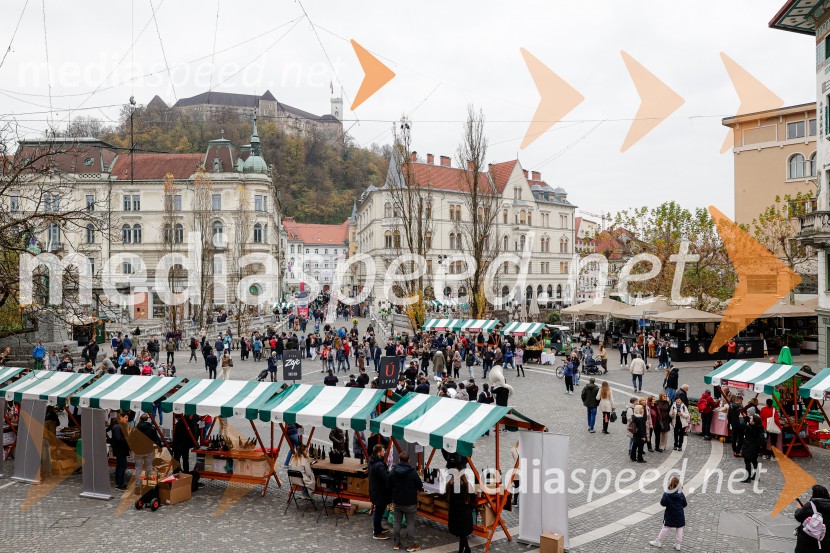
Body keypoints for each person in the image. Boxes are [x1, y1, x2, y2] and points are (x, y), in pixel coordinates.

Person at [387, 452, 423, 552]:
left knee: (396, 522)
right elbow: (420, 485)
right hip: (410, 502)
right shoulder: (412, 472)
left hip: (397, 501)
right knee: (410, 523)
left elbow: (388, 485)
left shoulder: (393, 471)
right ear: (409, 461)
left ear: (399, 460)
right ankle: (411, 545)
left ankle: (396, 543)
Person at [649, 476, 687, 549]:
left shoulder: (667, 494)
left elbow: (662, 503)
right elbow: (685, 504)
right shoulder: (681, 494)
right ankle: (678, 544)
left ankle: (658, 541)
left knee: (666, 528)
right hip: (680, 515)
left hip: (670, 514)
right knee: (679, 528)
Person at [446, 460, 475, 553]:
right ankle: (465, 549)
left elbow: (447, 498)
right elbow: (473, 499)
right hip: (465, 513)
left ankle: (464, 550)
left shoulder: (450, 485)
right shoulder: (467, 485)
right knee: (463, 533)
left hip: (455, 512)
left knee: (462, 533)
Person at [794, 484, 830, 551]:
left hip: (807, 540)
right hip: (825, 542)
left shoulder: (810, 505)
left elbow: (798, 516)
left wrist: (799, 509)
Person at [131, 413, 162, 485]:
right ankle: (148, 483)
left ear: (140, 419)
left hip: (138, 451)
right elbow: (156, 439)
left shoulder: (135, 429)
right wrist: (159, 447)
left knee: (138, 468)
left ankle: (138, 484)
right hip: (149, 450)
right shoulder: (151, 428)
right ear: (147, 419)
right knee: (148, 467)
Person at [369, 444, 391, 539]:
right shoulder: (378, 465)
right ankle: (377, 532)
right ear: (378, 453)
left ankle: (378, 528)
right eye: (383, 450)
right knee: (379, 511)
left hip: (375, 490)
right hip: (379, 492)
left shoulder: (372, 460)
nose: (384, 452)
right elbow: (386, 478)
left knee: (379, 510)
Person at [109, 410, 131, 490]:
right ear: (121, 418)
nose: (127, 419)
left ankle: (119, 483)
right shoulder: (117, 427)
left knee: (119, 466)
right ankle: (119, 484)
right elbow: (118, 439)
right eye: (125, 418)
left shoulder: (119, 426)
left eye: (127, 418)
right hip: (120, 449)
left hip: (121, 449)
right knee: (123, 466)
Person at [741, 414, 765, 483]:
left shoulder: (751, 428)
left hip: (749, 447)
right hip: (755, 447)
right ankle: (756, 475)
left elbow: (743, 424)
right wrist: (746, 417)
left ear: (754, 422)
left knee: (747, 461)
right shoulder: (758, 427)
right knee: (754, 460)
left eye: (751, 419)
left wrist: (743, 418)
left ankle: (747, 477)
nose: (750, 420)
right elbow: (749, 421)